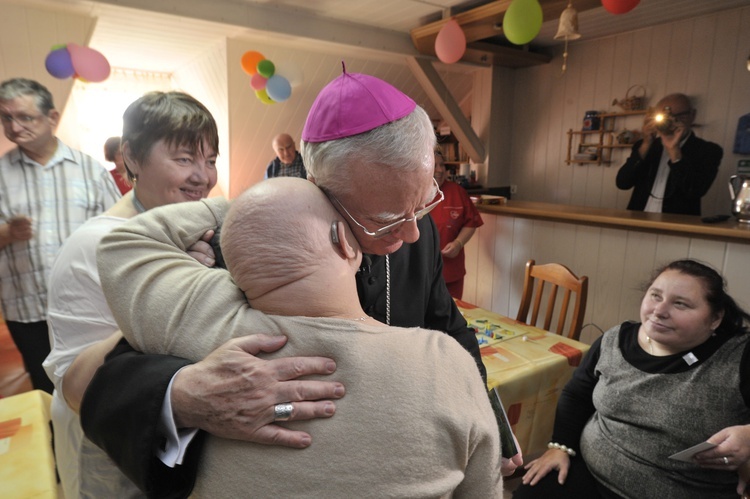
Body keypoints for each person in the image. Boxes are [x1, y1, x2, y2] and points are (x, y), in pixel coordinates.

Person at [78, 67, 504, 497]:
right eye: (384, 220)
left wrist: (490, 421)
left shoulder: (415, 224)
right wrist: (182, 396)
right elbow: (105, 383)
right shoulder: (245, 249)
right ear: (320, 190)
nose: (411, 232)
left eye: (424, 199)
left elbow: (443, 319)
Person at [42, 91, 222, 498]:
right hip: (109, 444)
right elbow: (74, 383)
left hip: (170, 431)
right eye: (184, 159)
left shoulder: (187, 230)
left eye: (210, 160)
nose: (203, 176)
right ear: (132, 158)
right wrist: (169, 285)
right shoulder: (97, 244)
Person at [514, 259, 750, 499]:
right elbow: (576, 394)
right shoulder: (616, 339)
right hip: (588, 475)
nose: (659, 311)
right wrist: (560, 446)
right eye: (655, 296)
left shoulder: (738, 356)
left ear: (715, 318)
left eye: (680, 304)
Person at [0, 77, 120, 393]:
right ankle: (55, 442)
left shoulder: (89, 170)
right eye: (6, 117)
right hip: (26, 309)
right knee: (46, 388)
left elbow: (118, 236)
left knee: (97, 386)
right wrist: (7, 233)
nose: (13, 126)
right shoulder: (1, 173)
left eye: (24, 117)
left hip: (88, 307)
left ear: (51, 118)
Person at [615, 93, 723, 216]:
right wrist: (646, 144)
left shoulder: (708, 150)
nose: (671, 121)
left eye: (678, 116)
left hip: (677, 225)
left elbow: (695, 191)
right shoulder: (645, 145)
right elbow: (623, 183)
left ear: (692, 115)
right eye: (665, 116)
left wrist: (674, 150)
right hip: (639, 221)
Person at [431, 150, 483, 299]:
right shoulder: (415, 193)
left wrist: (458, 243)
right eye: (435, 166)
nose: (440, 170)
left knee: (452, 313)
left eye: (442, 165)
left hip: (451, 270)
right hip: (422, 271)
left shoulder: (457, 192)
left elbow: (471, 223)